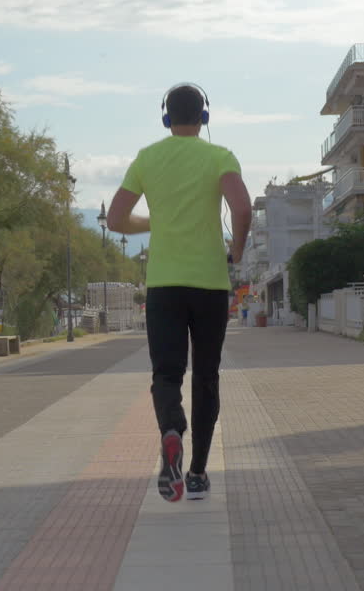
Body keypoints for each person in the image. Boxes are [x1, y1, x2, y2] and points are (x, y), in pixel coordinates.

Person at [105, 82, 252, 503]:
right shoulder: (219, 156)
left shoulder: (148, 158)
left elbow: (115, 219)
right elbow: (241, 209)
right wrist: (236, 250)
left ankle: (172, 428)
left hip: (163, 286)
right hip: (209, 284)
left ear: (165, 118)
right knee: (206, 377)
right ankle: (199, 474)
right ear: (204, 117)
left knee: (166, 374)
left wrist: (156, 221)